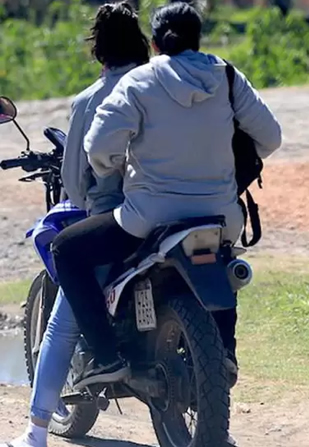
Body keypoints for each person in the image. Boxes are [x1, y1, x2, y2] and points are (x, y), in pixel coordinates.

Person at [51, 1, 282, 389]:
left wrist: (112, 166)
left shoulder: (138, 82)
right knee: (220, 260)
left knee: (67, 250)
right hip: (219, 216)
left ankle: (106, 356)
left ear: (155, 44)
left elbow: (98, 148)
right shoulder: (226, 76)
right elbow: (271, 138)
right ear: (197, 38)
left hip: (147, 218)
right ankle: (224, 350)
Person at [2, 4, 150, 447]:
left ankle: (36, 430)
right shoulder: (160, 87)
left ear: (98, 49)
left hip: (116, 219)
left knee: (59, 323)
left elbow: (74, 179)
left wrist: (89, 200)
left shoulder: (89, 100)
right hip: (174, 212)